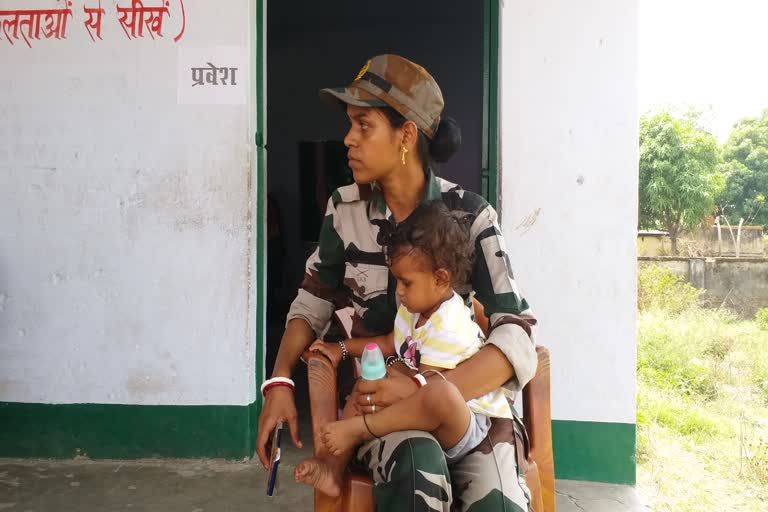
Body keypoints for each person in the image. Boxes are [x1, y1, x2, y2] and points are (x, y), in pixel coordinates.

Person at [256, 54, 538, 512]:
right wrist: (280, 381)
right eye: (349, 124)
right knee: (415, 464)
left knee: (499, 503)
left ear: (406, 135)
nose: (347, 139)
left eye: (363, 126)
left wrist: (428, 393)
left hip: (473, 410)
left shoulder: (470, 216)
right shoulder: (343, 210)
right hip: (378, 408)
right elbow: (310, 304)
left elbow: (515, 333)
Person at [294, 201, 517, 500]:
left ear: (441, 279)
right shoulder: (413, 309)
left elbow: (427, 387)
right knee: (368, 383)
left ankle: (360, 428)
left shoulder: (448, 324)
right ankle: (332, 469)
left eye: (406, 282)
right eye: (397, 279)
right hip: (425, 408)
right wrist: (341, 349)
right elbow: (388, 343)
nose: (398, 290)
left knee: (439, 391)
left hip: (467, 424)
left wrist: (391, 380)